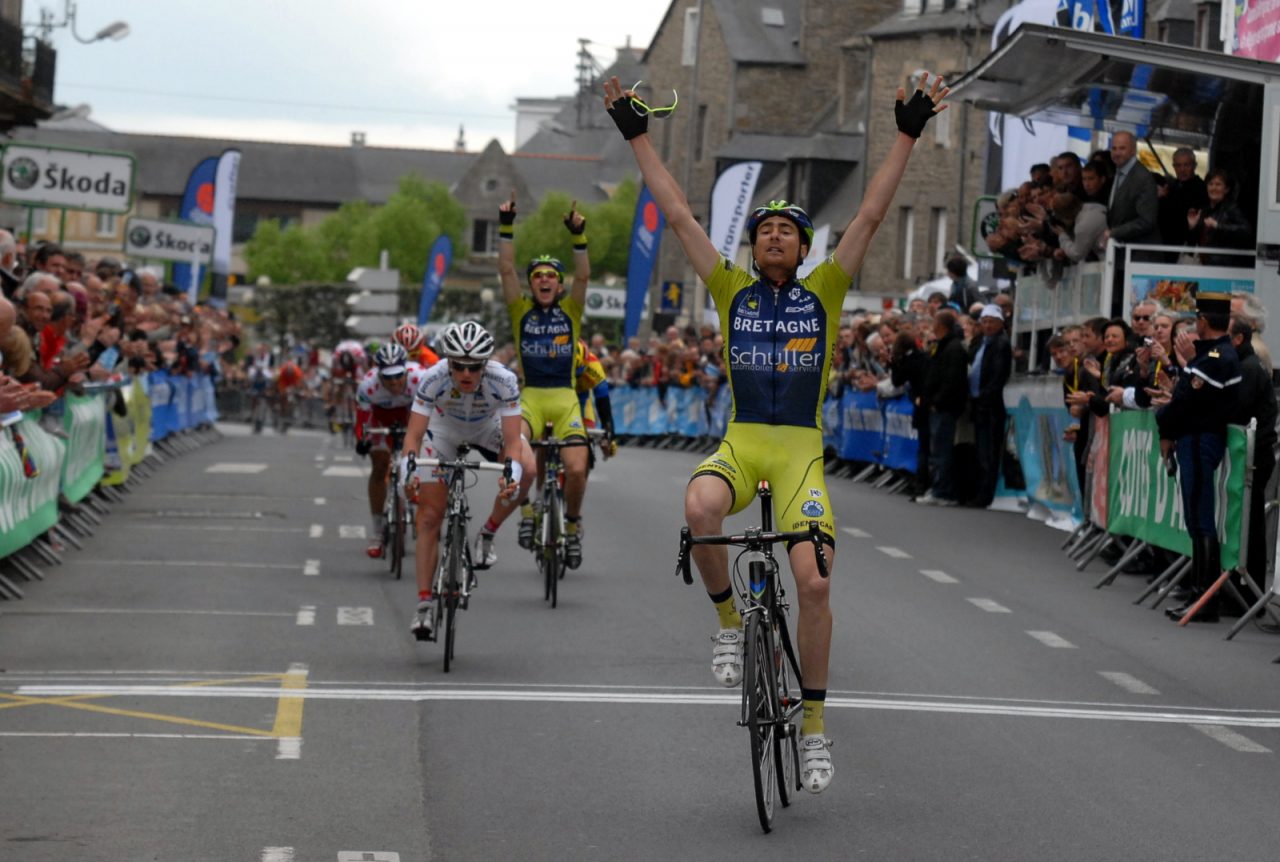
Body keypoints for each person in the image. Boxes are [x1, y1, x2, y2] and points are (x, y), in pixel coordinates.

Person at [603, 70, 949, 794]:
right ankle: (730, 622)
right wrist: (638, 136)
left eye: (786, 232)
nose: (774, 239)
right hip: (742, 441)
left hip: (797, 456)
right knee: (699, 510)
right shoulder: (730, 291)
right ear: (754, 248)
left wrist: (908, 135)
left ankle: (816, 727)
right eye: (764, 232)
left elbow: (872, 216)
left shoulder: (826, 291)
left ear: (802, 249)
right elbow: (680, 215)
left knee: (813, 584)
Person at [400, 321, 535, 640]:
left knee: (528, 469)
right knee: (430, 517)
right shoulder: (433, 377)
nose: (466, 374)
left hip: (488, 427)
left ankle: (487, 533)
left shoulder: (503, 379)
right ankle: (423, 606)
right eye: (458, 366)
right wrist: (409, 473)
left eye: (474, 367)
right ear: (448, 362)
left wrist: (509, 477)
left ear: (485, 364)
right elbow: (414, 435)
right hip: (443, 429)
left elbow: (514, 441)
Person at [498, 196, 591, 570]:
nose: (544, 280)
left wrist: (579, 236)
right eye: (537, 276)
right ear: (531, 284)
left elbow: (583, 276)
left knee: (578, 466)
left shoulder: (571, 310)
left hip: (565, 397)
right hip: (532, 396)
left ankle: (570, 525)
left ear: (559, 284)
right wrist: (505, 226)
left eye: (551, 276)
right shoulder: (520, 311)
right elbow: (505, 271)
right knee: (515, 453)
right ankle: (526, 513)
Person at [1148, 291, 1240, 622]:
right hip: (1192, 439)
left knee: (1201, 519)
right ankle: (1199, 592)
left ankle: (1206, 598)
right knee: (1194, 518)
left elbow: (1185, 398)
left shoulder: (1217, 356)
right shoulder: (1208, 355)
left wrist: (1185, 364)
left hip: (1202, 440)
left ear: (1203, 321)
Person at [354, 342, 428, 559]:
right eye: (388, 377)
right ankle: (377, 532)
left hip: (409, 415)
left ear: (406, 370)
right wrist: (362, 439)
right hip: (381, 418)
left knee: (418, 453)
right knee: (379, 467)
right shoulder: (368, 386)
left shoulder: (420, 379)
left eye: (398, 376)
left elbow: (432, 417)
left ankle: (413, 482)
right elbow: (362, 421)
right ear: (379, 374)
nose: (394, 382)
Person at [1229, 315, 1276, 599]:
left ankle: (1247, 591)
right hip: (1251, 452)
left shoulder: (1248, 367)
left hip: (1253, 455)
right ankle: (1241, 588)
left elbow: (1238, 411)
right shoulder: (1244, 364)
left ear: (1238, 339)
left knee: (1250, 526)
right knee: (1243, 524)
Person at [968, 305, 1013, 507]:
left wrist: (986, 397)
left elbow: (997, 375)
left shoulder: (1001, 344)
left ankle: (985, 494)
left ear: (1000, 324)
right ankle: (979, 491)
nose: (987, 325)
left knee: (989, 453)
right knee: (980, 452)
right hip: (978, 403)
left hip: (991, 406)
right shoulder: (980, 343)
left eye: (991, 321)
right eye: (984, 321)